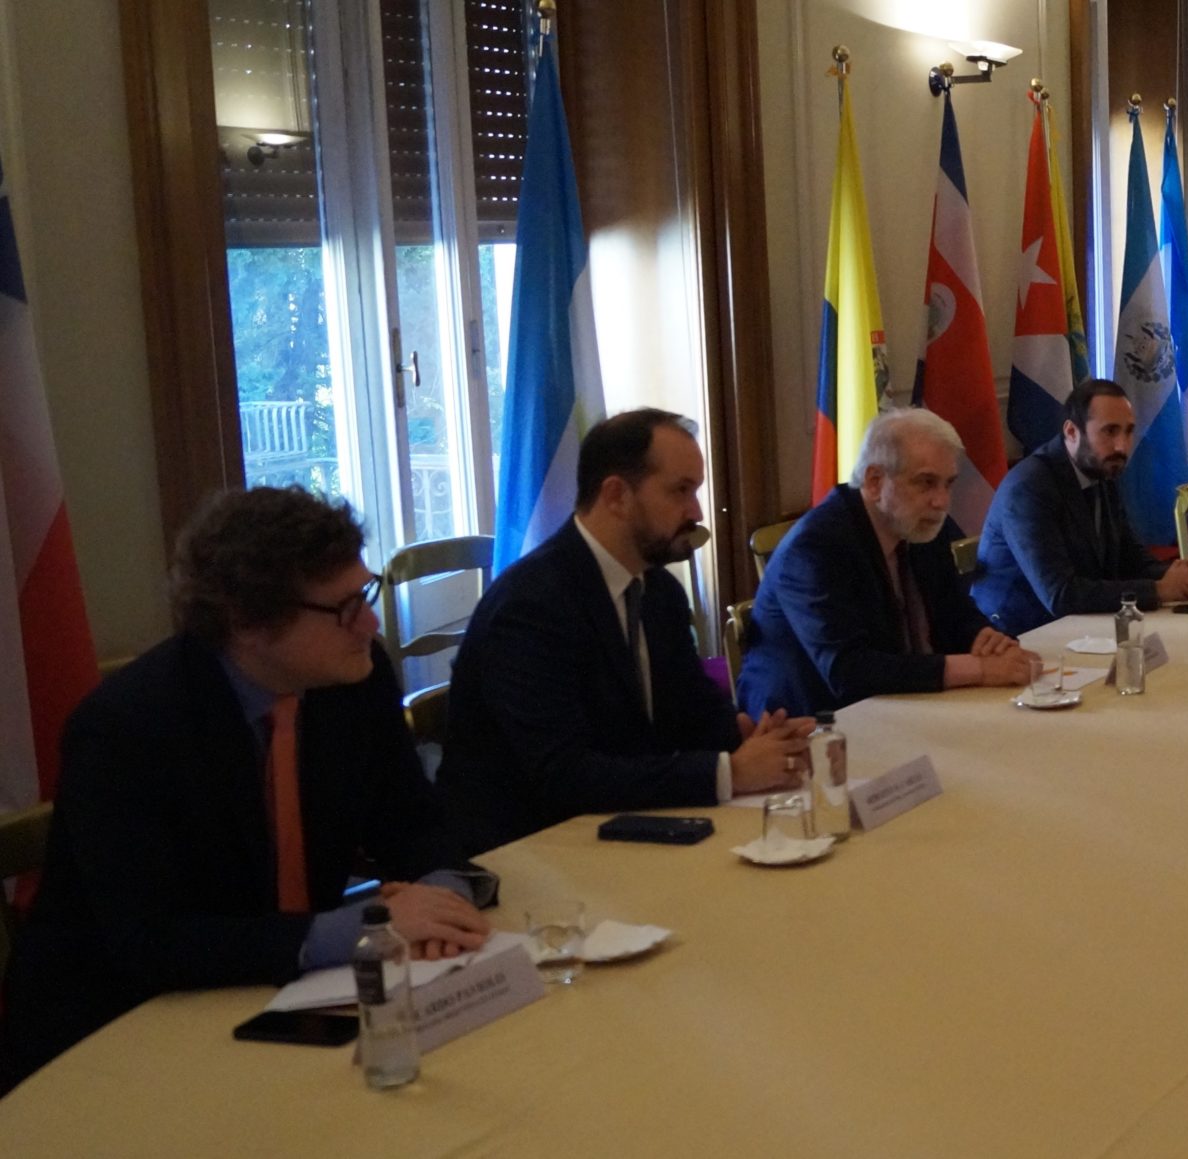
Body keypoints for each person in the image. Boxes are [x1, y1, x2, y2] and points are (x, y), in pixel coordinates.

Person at [0, 488, 489, 1093]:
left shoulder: (355, 681)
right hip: (120, 1034)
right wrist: (365, 929)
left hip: (295, 1000)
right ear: (248, 623)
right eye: (343, 609)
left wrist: (442, 896)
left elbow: (412, 821)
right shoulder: (127, 728)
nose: (369, 624)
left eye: (365, 594)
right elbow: (149, 940)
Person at [438, 409, 809, 855]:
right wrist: (731, 772)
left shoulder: (659, 591)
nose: (695, 511)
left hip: (621, 829)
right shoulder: (531, 605)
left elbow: (689, 709)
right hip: (524, 850)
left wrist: (745, 735)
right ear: (616, 495)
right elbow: (564, 773)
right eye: (680, 491)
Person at [738, 409, 1042, 716]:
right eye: (925, 483)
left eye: (948, 484)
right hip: (810, 723)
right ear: (874, 481)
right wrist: (979, 669)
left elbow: (955, 612)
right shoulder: (815, 548)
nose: (942, 501)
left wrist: (986, 640)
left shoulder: (921, 526)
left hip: (903, 705)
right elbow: (848, 670)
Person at [972, 380, 1188, 635]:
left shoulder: (1100, 469)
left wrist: (1176, 574)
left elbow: (1129, 556)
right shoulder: (1029, 487)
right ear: (1071, 432)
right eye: (1110, 431)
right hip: (1020, 631)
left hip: (1080, 623)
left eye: (1128, 431)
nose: (1122, 446)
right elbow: (1061, 594)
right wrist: (1159, 590)